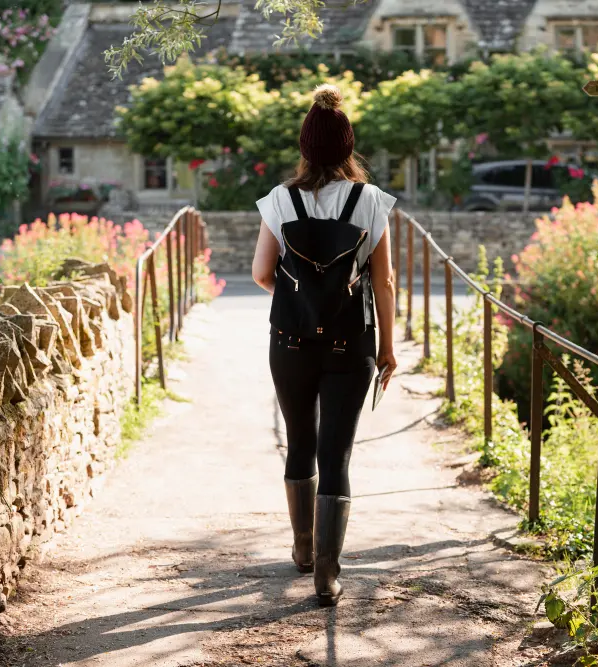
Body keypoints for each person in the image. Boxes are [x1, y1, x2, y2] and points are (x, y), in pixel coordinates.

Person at [251, 84, 397, 607]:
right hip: (350, 343)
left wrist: (303, 298)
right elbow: (384, 284)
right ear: (348, 145)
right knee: (337, 453)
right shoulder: (372, 201)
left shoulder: (279, 201)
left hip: (289, 341)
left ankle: (301, 548)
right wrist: (387, 348)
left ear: (304, 146)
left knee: (300, 443)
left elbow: (261, 273)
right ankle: (327, 575)